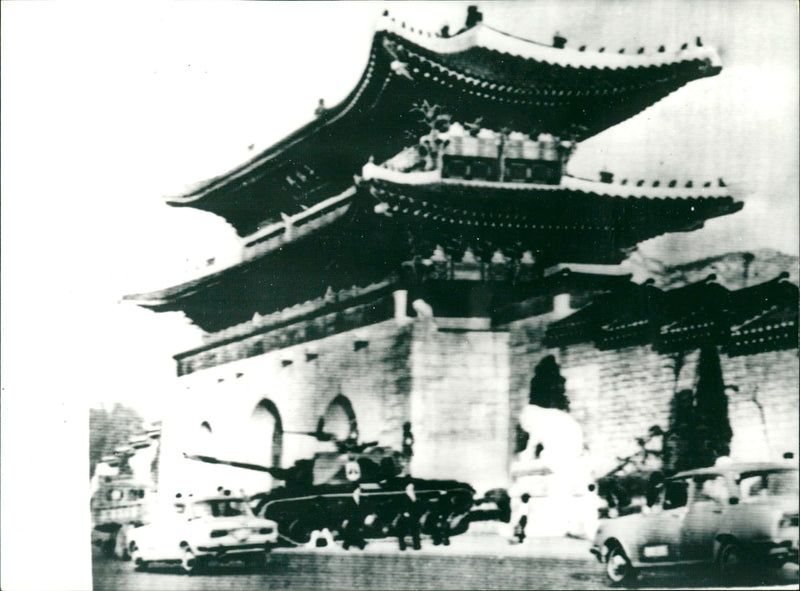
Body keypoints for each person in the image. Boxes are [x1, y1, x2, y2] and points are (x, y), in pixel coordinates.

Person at [393, 482, 422, 551]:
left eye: (411, 489)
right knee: (401, 530)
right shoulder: (403, 497)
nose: (410, 490)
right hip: (404, 517)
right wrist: (404, 512)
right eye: (409, 489)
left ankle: (416, 544)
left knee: (415, 530)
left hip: (414, 516)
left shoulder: (415, 497)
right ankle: (402, 545)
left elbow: (418, 507)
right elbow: (399, 506)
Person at [341, 486, 367, 550]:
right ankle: (349, 543)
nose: (359, 492)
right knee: (351, 526)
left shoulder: (363, 499)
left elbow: (365, 510)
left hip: (360, 519)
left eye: (360, 491)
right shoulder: (348, 500)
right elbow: (345, 511)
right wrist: (346, 519)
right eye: (357, 490)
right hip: (351, 519)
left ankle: (358, 543)